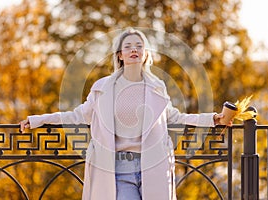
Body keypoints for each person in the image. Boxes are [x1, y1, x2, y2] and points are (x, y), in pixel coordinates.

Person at [20, 28, 228, 200]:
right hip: (118, 170)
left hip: (154, 167)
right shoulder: (102, 88)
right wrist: (38, 120)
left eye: (139, 46)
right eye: (127, 46)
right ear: (120, 55)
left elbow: (174, 117)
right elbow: (78, 115)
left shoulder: (157, 87)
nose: (133, 50)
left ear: (145, 53)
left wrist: (211, 119)